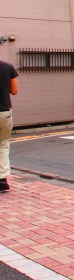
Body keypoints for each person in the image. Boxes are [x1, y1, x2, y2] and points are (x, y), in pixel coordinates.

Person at [0, 59, 19, 193]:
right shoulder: (7, 67)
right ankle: (2, 179)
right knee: (3, 143)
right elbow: (14, 90)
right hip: (4, 112)